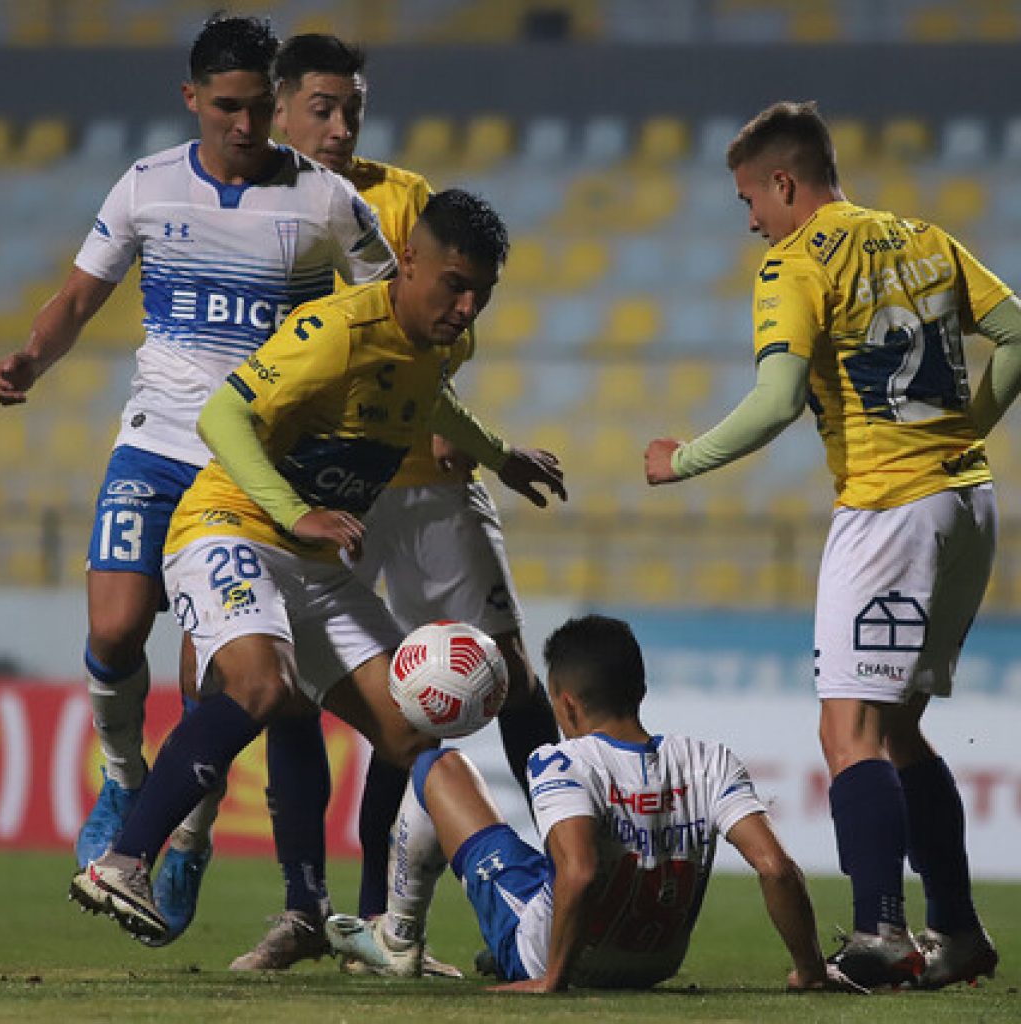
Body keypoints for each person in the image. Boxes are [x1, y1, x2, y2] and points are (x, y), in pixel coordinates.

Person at [68, 188, 567, 946]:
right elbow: (222, 416)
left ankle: (380, 930)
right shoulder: (336, 330)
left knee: (411, 732)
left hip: (312, 565)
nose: (467, 308)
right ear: (408, 262)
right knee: (263, 685)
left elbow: (432, 404)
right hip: (228, 527)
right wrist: (294, 510)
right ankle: (124, 861)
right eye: (455, 285)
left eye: (482, 293)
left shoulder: (433, 346)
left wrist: (500, 456)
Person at [171, 33, 557, 973]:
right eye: (323, 109)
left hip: (422, 480)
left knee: (497, 675)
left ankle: (560, 871)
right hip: (311, 491)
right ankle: (308, 906)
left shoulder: (404, 199)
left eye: (354, 108)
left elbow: (451, 324)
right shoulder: (247, 205)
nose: (342, 127)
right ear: (276, 110)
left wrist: (468, 431)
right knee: (294, 692)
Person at [0, 13, 398, 893]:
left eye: (258, 107)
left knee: (212, 671)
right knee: (113, 629)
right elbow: (78, 297)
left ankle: (187, 835)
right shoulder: (147, 186)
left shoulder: (328, 201)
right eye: (226, 108)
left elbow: (395, 315)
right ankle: (124, 777)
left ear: (276, 101)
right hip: (157, 441)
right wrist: (31, 357)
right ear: (192, 98)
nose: (244, 126)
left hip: (254, 466)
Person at [644, 100, 1021, 990]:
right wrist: (968, 427)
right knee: (897, 729)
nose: (751, 222)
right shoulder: (924, 236)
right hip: (968, 503)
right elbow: (1016, 332)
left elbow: (778, 400)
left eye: (750, 199)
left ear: (784, 182)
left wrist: (683, 460)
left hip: (889, 510)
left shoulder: (797, 262)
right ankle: (957, 931)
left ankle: (881, 935)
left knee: (846, 730)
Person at [326, 614, 861, 993]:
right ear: (640, 690)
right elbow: (776, 868)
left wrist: (552, 980)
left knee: (436, 767)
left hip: (554, 959)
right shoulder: (710, 760)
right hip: (654, 964)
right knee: (545, 862)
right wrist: (811, 971)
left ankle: (398, 939)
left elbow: (580, 872)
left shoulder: (563, 761)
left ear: (565, 703)